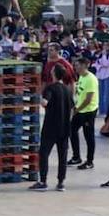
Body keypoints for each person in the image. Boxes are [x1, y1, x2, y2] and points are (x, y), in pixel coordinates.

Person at [33, 64, 73, 192]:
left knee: (44, 153)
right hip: (65, 127)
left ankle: (43, 181)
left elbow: (45, 102)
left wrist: (38, 98)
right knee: (63, 155)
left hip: (51, 126)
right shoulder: (67, 90)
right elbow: (72, 108)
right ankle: (61, 182)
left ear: (54, 73)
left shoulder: (50, 88)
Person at [68, 56, 98, 171]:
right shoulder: (81, 77)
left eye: (78, 65)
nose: (76, 68)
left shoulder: (91, 79)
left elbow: (88, 99)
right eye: (75, 65)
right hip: (80, 109)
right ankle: (76, 157)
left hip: (88, 111)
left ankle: (90, 161)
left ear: (86, 66)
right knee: (72, 130)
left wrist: (78, 109)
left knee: (88, 136)